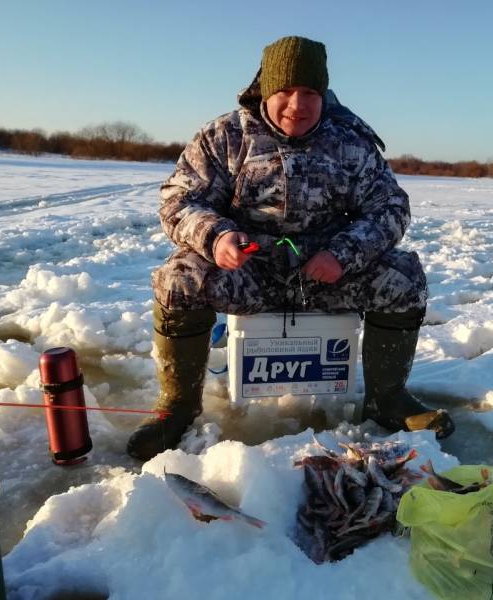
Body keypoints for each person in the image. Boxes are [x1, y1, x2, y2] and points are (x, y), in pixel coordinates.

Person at [127, 36, 453, 461]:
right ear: (266, 89)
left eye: (310, 94)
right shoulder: (224, 136)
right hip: (248, 273)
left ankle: (387, 400)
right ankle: (179, 406)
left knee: (403, 277)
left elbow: (390, 208)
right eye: (286, 92)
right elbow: (179, 201)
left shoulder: (350, 142)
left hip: (324, 276)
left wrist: (342, 254)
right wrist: (217, 237)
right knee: (179, 278)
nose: (297, 105)